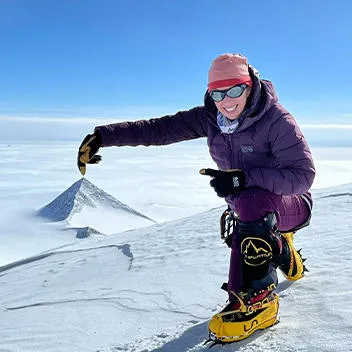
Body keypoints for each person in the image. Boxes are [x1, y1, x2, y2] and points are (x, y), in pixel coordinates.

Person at [77, 53, 315, 343]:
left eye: (235, 90)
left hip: (293, 203)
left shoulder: (275, 119)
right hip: (250, 206)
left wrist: (243, 178)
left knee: (250, 208)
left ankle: (260, 302)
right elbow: (159, 129)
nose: (227, 101)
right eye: (218, 93)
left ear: (249, 86)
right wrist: (103, 136)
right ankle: (282, 251)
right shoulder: (211, 118)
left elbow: (303, 176)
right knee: (246, 217)